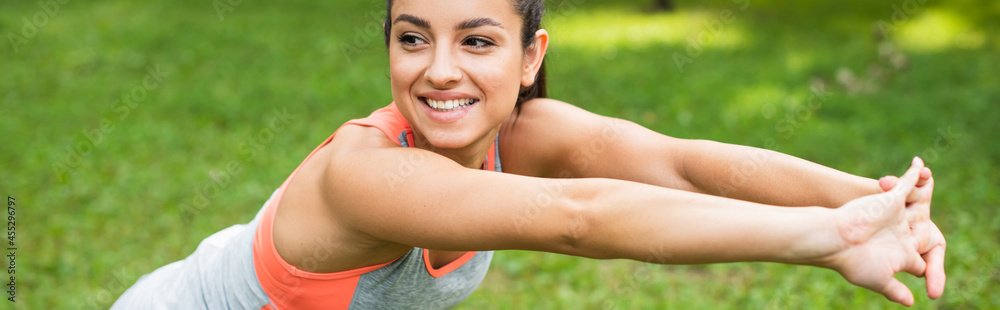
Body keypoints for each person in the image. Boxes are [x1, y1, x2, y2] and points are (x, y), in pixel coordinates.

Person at [113, 0, 947, 308]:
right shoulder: (365, 176)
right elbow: (580, 220)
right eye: (412, 39)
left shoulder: (524, 134)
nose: (438, 69)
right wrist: (826, 237)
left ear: (530, 56)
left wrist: (874, 197)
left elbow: (684, 165)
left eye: (476, 40)